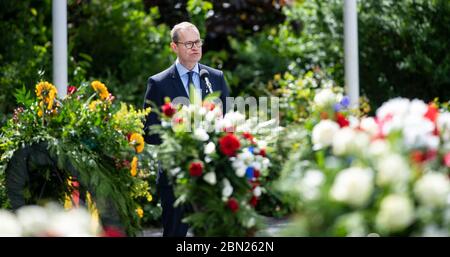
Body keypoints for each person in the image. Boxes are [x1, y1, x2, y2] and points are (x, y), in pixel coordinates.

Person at [143, 22, 229, 237]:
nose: (195, 47)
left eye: (198, 42)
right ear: (174, 47)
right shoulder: (159, 83)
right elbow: (150, 132)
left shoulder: (215, 77)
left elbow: (229, 122)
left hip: (211, 174)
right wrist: (179, 131)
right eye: (189, 43)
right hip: (175, 176)